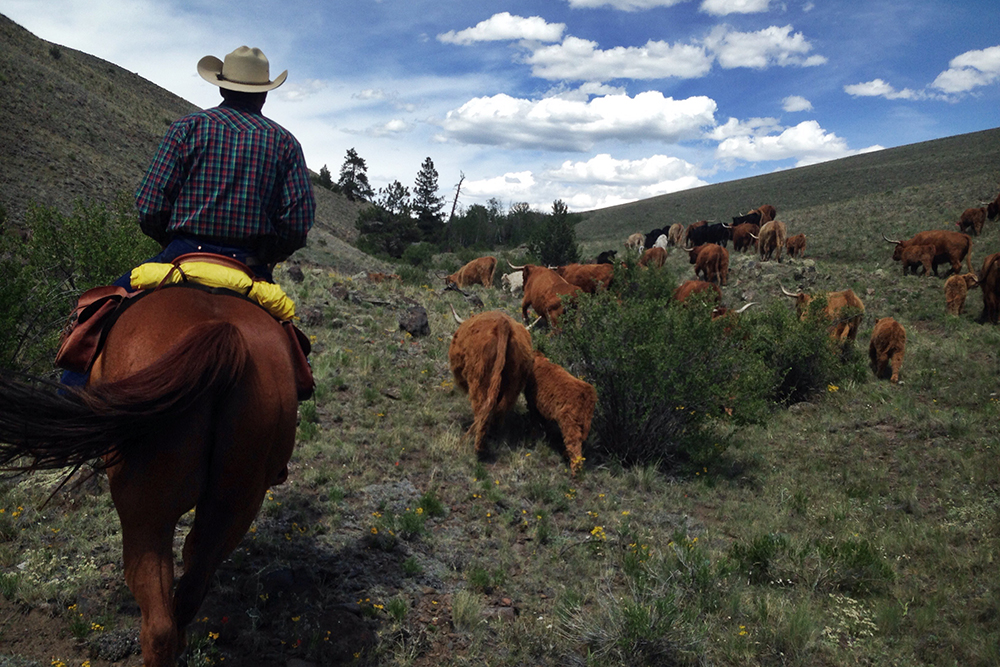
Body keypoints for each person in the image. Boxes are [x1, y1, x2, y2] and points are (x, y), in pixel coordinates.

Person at [62, 46, 315, 387]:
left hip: (180, 255)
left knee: (94, 319)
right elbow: (297, 224)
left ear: (222, 87)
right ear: (263, 96)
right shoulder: (285, 143)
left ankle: (65, 403)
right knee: (296, 368)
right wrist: (268, 257)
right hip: (250, 267)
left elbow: (151, 205)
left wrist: (171, 242)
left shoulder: (187, 128)